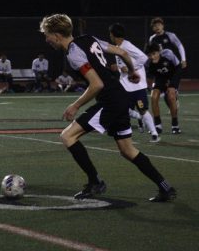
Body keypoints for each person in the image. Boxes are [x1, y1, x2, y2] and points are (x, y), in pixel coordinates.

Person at [40, 13, 175, 202]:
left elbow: (96, 85)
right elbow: (123, 53)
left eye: (47, 35)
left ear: (56, 34)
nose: (46, 40)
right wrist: (133, 72)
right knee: (128, 151)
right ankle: (165, 187)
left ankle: (95, 182)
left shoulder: (73, 53)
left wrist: (75, 105)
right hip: (119, 96)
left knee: (67, 136)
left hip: (110, 101)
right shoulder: (89, 39)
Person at [109, 23, 160, 142]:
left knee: (142, 109)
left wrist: (131, 68)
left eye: (110, 34)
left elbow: (143, 58)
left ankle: (154, 133)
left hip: (137, 85)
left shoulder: (126, 45)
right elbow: (124, 64)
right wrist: (118, 67)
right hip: (125, 85)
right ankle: (137, 121)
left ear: (112, 35)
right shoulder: (118, 46)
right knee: (120, 107)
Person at [146, 43, 183, 135]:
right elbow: (149, 75)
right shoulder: (147, 61)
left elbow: (179, 67)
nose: (152, 57)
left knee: (171, 95)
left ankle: (175, 125)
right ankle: (158, 126)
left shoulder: (168, 54)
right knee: (153, 97)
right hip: (160, 78)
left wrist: (172, 84)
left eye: (154, 54)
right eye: (150, 55)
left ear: (159, 52)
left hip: (172, 77)